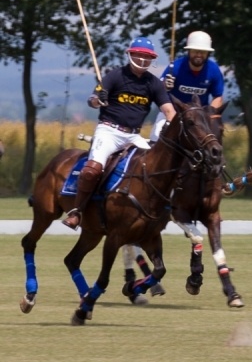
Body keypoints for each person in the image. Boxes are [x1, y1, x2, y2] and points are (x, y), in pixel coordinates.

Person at [63, 37, 177, 230]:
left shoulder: (154, 83)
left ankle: (158, 211)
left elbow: (169, 111)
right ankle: (77, 211)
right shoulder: (114, 76)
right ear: (130, 54)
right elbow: (92, 100)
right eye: (138, 55)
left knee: (157, 168)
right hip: (109, 131)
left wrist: (175, 126)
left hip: (133, 136)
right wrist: (98, 99)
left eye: (146, 56)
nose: (142, 60)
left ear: (152, 59)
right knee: (92, 170)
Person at [149, 30, 224, 142]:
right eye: (195, 51)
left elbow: (218, 96)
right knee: (156, 138)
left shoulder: (213, 70)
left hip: (198, 117)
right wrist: (165, 86)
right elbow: (158, 90)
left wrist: (209, 115)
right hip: (172, 113)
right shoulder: (175, 67)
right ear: (188, 51)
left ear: (208, 53)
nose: (199, 55)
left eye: (203, 52)